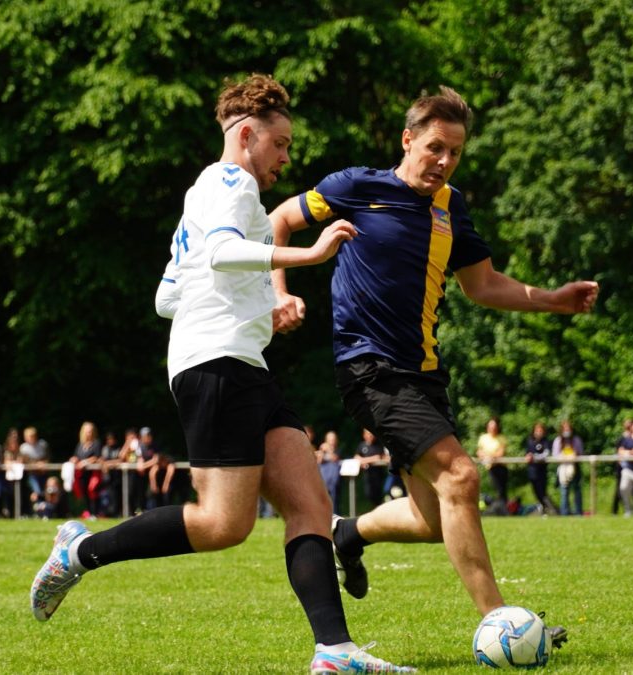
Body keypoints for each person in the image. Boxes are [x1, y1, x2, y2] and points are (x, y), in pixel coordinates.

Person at [30, 74, 410, 673]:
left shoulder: (213, 193)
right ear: (247, 134)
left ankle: (335, 653)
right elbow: (220, 254)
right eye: (280, 143)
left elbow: (166, 296)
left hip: (240, 361)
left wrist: (264, 305)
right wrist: (307, 257)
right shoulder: (229, 180)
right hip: (216, 363)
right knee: (221, 524)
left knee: (310, 506)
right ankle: (81, 550)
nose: (287, 156)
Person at [268, 86, 594, 645]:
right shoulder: (355, 186)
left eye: (455, 153)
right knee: (462, 477)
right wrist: (279, 291)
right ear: (408, 139)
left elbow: (484, 284)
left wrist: (553, 298)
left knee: (433, 517)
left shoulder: (451, 205)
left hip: (424, 373)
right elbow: (277, 221)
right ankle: (504, 624)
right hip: (368, 367)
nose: (444, 162)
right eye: (435, 148)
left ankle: (347, 533)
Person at [68, 422, 103, 517]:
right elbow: (77, 456)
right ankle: (88, 512)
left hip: (93, 473)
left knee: (92, 490)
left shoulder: (96, 443)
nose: (89, 433)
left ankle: (95, 512)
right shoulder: (80, 445)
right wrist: (74, 459)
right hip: (82, 474)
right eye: (87, 431)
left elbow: (97, 457)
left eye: (91, 431)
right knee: (83, 492)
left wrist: (85, 462)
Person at [476, 418, 509, 515]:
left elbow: (501, 452)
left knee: (501, 490)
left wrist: (490, 456)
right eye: (491, 427)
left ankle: (503, 511)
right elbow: (479, 451)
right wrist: (486, 457)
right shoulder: (483, 438)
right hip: (490, 467)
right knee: (494, 489)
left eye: (494, 427)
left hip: (500, 467)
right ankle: (496, 510)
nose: (492, 428)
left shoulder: (501, 438)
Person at [551, 421, 584, 516]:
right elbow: (555, 455)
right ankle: (564, 513)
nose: (567, 431)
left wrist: (574, 454)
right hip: (562, 468)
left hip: (575, 467)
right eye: (565, 429)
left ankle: (578, 512)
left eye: (568, 429)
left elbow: (580, 453)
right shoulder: (558, 441)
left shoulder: (576, 440)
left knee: (577, 490)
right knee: (564, 491)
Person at [524, 422, 556, 515]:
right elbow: (527, 454)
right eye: (537, 430)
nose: (539, 432)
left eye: (541, 430)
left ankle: (551, 510)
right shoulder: (530, 441)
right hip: (532, 471)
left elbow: (546, 454)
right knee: (536, 492)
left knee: (543, 493)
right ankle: (544, 509)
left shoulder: (546, 442)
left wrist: (534, 457)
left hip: (542, 471)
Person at [355, 429, 388, 508]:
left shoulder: (378, 445)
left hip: (378, 475)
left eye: (371, 434)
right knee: (369, 493)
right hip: (367, 475)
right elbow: (356, 457)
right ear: (364, 435)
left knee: (379, 495)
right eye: (368, 434)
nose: (370, 436)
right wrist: (371, 459)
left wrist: (364, 460)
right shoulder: (362, 446)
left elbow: (381, 457)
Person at [20, 426, 51, 509]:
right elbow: (25, 461)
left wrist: (43, 463)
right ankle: (39, 508)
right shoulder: (24, 448)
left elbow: (47, 457)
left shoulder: (42, 444)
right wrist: (36, 464)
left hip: (43, 473)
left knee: (46, 491)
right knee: (37, 491)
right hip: (32, 474)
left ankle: (45, 508)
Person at [317, 431, 343, 514]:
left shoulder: (339, 450)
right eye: (330, 440)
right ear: (326, 440)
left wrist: (329, 450)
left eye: (333, 439)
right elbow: (319, 461)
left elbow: (335, 458)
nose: (332, 441)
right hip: (323, 479)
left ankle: (335, 515)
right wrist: (321, 451)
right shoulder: (323, 450)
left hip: (334, 480)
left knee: (334, 499)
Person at [611, 419, 633, 515]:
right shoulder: (621, 439)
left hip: (632, 467)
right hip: (622, 467)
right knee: (619, 489)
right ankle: (615, 510)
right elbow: (618, 452)